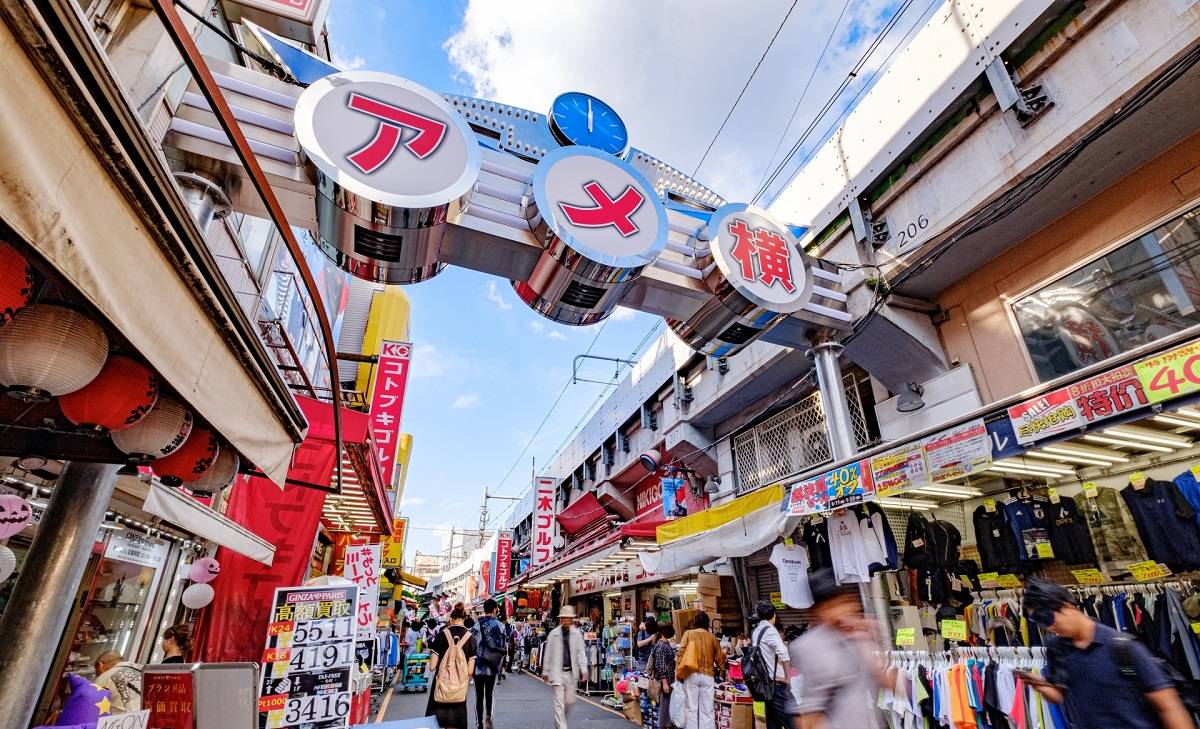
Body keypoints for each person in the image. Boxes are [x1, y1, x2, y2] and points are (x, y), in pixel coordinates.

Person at [1021, 577, 1194, 729]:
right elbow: (1059, 695)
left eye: (1047, 617)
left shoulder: (1122, 647)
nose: (1048, 626)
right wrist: (1041, 686)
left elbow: (1169, 706)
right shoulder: (1056, 649)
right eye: (1038, 621)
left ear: (1068, 606)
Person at [792, 569, 894, 729]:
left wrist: (870, 642)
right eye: (833, 606)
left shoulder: (858, 637)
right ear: (820, 611)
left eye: (842, 602)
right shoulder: (808, 647)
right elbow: (808, 714)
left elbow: (891, 685)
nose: (843, 609)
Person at [750, 601, 801, 729]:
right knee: (796, 723)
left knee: (773, 723)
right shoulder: (770, 631)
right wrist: (787, 678)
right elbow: (783, 652)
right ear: (774, 615)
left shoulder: (756, 631)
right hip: (777, 685)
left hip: (766, 685)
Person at [427, 603, 477, 729]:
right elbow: (470, 671)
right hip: (459, 691)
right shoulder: (471, 639)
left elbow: (432, 666)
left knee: (436, 723)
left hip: (441, 689)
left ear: (451, 618)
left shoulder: (442, 635)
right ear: (464, 618)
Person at [676, 611, 726, 729]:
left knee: (691, 709)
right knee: (707, 709)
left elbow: (680, 653)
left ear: (695, 622)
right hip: (708, 675)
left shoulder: (688, 634)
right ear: (707, 623)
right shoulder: (712, 637)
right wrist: (723, 670)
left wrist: (678, 672)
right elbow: (719, 658)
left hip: (691, 674)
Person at [543, 606, 587, 729]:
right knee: (559, 702)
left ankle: (559, 722)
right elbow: (548, 653)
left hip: (571, 673)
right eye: (563, 618)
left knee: (570, 701)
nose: (565, 620)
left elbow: (581, 652)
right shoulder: (553, 634)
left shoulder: (577, 634)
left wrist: (584, 669)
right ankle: (562, 726)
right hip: (557, 672)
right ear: (560, 619)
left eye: (568, 618)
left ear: (572, 619)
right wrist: (545, 670)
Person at [474, 598, 507, 729]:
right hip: (492, 666)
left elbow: (473, 645)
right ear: (494, 609)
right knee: (489, 693)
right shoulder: (500, 625)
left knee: (479, 695)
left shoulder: (476, 625)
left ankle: (479, 724)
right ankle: (489, 717)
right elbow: (502, 646)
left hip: (478, 666)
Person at [651, 624, 679, 729]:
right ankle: (663, 726)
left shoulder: (664, 644)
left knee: (668, 706)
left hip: (669, 678)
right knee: (665, 707)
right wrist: (665, 683)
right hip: (666, 679)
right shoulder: (661, 646)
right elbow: (661, 665)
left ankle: (667, 725)